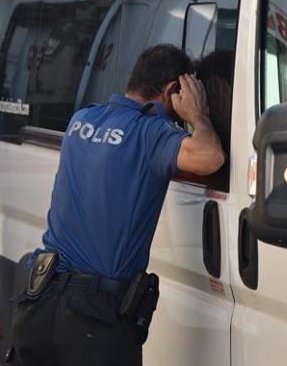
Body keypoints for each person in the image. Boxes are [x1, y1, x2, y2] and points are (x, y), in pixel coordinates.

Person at [12, 44, 225, 366]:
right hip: (92, 317)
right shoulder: (150, 133)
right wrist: (198, 115)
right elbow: (211, 158)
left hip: (38, 300)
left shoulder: (82, 119)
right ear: (172, 91)